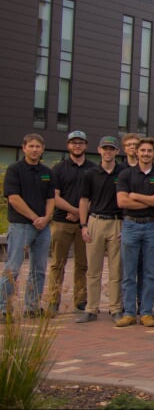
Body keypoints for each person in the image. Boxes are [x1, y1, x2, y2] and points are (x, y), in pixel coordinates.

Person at [0, 134, 55, 321]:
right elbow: (14, 199)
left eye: (38, 146)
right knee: (13, 268)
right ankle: (3, 308)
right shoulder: (14, 170)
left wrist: (46, 218)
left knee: (38, 269)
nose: (34, 149)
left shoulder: (47, 172)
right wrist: (35, 218)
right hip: (21, 226)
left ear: (42, 149)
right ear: (24, 148)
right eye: (31, 146)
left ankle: (32, 307)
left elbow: (51, 198)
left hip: (43, 228)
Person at [115, 137, 154, 328]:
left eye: (149, 151)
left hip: (152, 226)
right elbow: (122, 202)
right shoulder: (126, 174)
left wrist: (136, 196)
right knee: (129, 272)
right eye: (142, 150)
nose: (146, 154)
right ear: (136, 152)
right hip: (130, 225)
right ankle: (129, 313)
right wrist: (151, 200)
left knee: (150, 272)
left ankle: (146, 312)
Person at [76, 136, 126, 323]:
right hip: (95, 221)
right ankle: (91, 309)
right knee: (93, 269)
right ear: (99, 150)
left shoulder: (124, 172)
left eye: (111, 148)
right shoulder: (90, 173)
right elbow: (84, 200)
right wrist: (83, 225)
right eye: (105, 148)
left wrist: (126, 225)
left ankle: (115, 309)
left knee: (116, 270)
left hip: (117, 222)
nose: (108, 152)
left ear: (117, 151)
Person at [48, 130, 95, 315]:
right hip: (62, 222)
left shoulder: (93, 169)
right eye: (74, 143)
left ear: (86, 145)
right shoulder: (58, 169)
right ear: (68, 145)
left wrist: (81, 214)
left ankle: (80, 300)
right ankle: (53, 300)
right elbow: (54, 196)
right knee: (57, 264)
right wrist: (76, 211)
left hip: (84, 225)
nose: (77, 146)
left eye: (80, 142)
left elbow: (96, 197)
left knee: (82, 264)